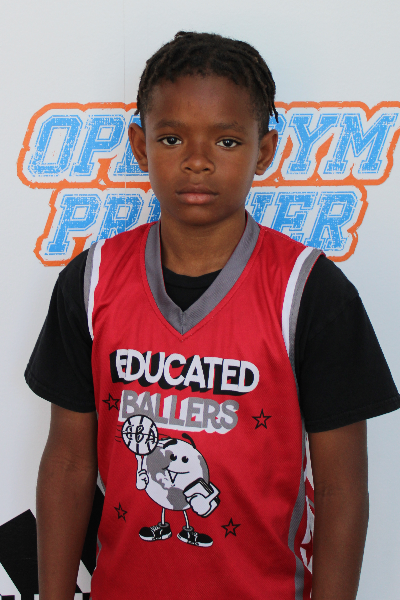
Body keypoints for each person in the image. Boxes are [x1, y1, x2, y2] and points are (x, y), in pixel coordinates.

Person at [25, 31, 400, 600]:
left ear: (264, 151)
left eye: (226, 141)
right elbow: (69, 463)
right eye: (172, 138)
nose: (197, 161)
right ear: (140, 146)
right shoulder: (92, 280)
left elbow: (342, 490)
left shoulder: (311, 292)